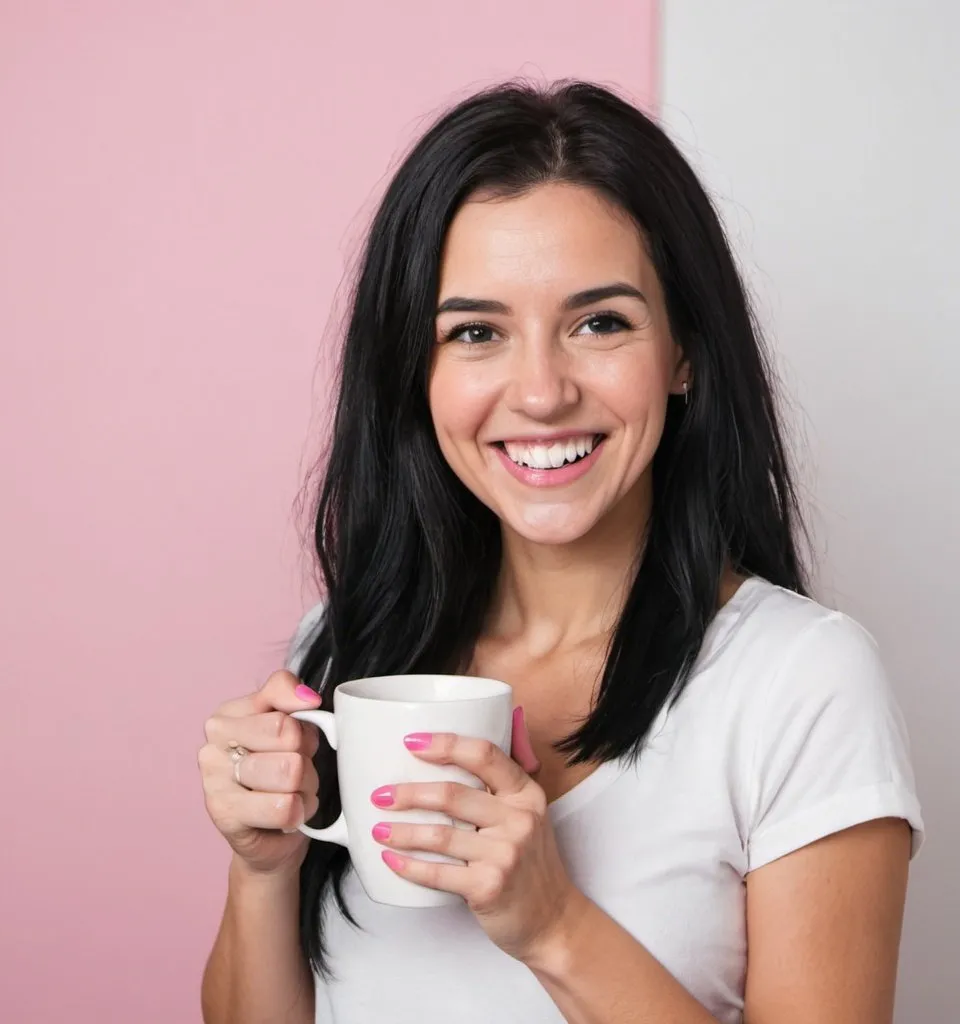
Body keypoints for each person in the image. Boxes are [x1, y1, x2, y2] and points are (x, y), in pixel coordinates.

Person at [196, 79, 924, 1024]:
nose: (539, 393)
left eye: (599, 323)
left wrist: (552, 925)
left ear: (685, 353)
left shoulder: (802, 684)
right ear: (415, 374)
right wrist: (262, 868)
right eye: (477, 332)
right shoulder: (344, 650)